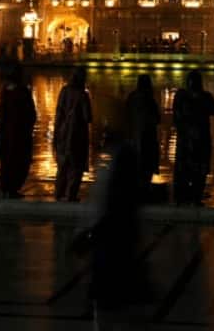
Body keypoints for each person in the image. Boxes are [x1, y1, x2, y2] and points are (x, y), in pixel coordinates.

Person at [73, 129, 152, 328]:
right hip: (115, 238)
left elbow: (108, 202)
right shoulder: (119, 158)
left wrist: (89, 232)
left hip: (112, 239)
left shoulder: (118, 160)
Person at [171, 70, 214, 206]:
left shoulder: (182, 96)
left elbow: (176, 117)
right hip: (198, 141)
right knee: (197, 172)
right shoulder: (202, 97)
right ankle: (193, 199)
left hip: (188, 141)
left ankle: (185, 199)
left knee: (186, 171)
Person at [0, 64, 36, 199]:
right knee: (19, 162)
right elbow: (31, 113)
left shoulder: (5, 91)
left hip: (8, 133)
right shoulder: (23, 92)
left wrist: (0, 131)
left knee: (7, 162)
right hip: (20, 133)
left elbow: (1, 113)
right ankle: (12, 189)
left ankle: (6, 188)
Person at [53, 67, 93, 202]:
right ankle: (71, 195)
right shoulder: (83, 95)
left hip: (63, 134)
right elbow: (88, 117)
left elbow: (58, 113)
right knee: (76, 167)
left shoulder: (64, 91)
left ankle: (59, 193)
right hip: (77, 136)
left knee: (63, 166)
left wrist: (56, 134)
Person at [124, 74, 161, 198]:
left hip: (134, 138)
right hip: (148, 139)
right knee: (147, 168)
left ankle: (135, 192)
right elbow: (157, 119)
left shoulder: (132, 98)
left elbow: (126, 116)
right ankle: (144, 192)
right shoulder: (150, 99)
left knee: (135, 167)